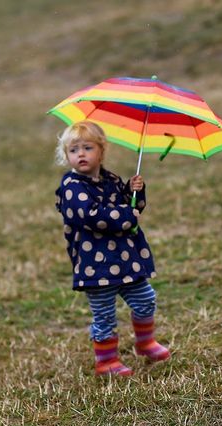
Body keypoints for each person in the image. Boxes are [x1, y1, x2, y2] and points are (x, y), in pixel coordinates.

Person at [54, 121, 170, 376]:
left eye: (87, 147)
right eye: (74, 150)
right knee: (105, 314)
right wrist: (126, 215)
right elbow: (91, 215)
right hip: (96, 264)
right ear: (66, 156)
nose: (81, 154)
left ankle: (145, 342)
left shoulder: (110, 179)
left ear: (101, 151)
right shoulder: (72, 187)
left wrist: (133, 192)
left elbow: (132, 207)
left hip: (125, 258)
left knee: (145, 300)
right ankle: (105, 361)